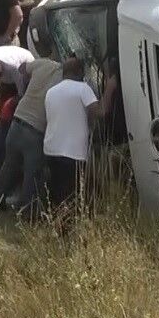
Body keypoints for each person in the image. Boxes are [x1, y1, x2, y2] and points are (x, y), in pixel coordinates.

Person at [42, 58, 110, 230]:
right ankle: (65, 232)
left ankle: (55, 226)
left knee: (56, 193)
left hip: (51, 150)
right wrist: (111, 87)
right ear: (81, 73)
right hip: (72, 153)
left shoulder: (51, 91)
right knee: (71, 196)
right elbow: (101, 112)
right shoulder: (82, 89)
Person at [0, 56, 65, 216]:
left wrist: (26, 85)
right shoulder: (66, 80)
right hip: (36, 129)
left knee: (9, 165)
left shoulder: (44, 63)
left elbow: (22, 69)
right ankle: (26, 212)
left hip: (17, 121)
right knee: (32, 173)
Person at [0, 42, 34, 182]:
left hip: (25, 73)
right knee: (5, 106)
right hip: (8, 77)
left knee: (14, 105)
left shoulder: (13, 66)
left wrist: (12, 104)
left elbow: (23, 93)